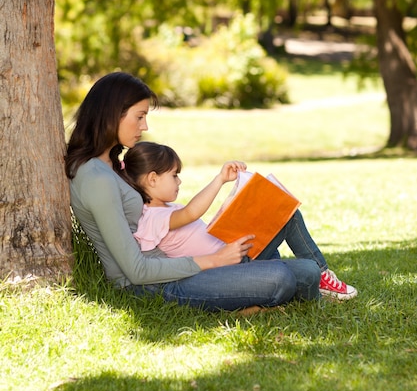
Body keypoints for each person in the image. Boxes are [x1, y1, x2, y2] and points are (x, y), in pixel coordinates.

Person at [65, 71, 357, 313]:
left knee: (305, 271)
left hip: (180, 268)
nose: (145, 126)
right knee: (280, 276)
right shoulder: (95, 177)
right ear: (113, 114)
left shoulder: (112, 165)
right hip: (153, 285)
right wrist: (215, 261)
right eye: (139, 117)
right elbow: (135, 270)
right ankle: (247, 301)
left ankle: (261, 293)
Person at [122, 141, 357, 300]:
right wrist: (220, 179)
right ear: (152, 179)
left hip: (236, 256)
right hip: (227, 271)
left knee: (287, 214)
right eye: (174, 175)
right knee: (305, 271)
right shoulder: (152, 217)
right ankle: (313, 275)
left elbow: (198, 229)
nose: (179, 182)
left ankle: (320, 275)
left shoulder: (168, 209)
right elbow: (193, 212)